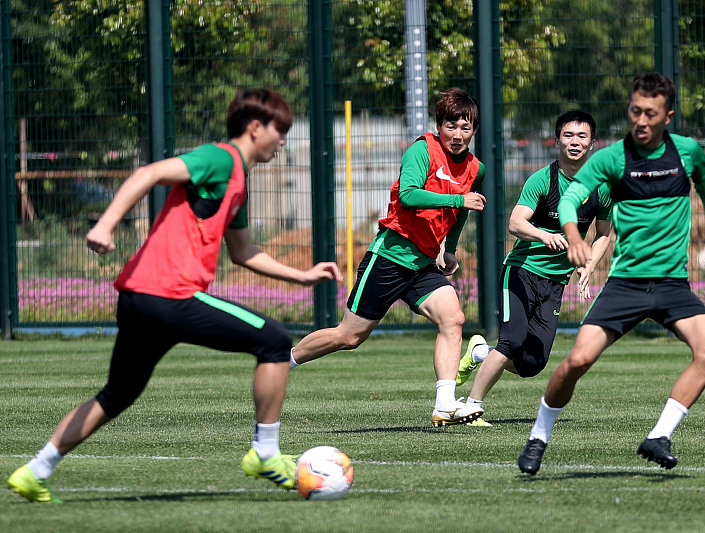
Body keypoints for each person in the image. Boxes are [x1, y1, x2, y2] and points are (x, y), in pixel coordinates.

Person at [7, 88, 342, 503]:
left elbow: (242, 252)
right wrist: (105, 225)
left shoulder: (238, 181)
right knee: (273, 341)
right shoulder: (221, 159)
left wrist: (302, 276)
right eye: (281, 130)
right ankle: (266, 454)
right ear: (256, 128)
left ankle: (34, 471)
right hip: (169, 295)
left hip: (140, 297)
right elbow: (148, 174)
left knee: (118, 395)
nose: (283, 140)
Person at [517, 73, 705, 476]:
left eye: (651, 113)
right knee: (577, 360)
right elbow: (572, 200)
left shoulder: (688, 153)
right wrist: (573, 235)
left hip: (671, 286)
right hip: (626, 284)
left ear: (668, 115)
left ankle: (659, 435)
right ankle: (538, 437)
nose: (641, 120)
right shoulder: (611, 158)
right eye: (635, 111)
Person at [290, 88, 487, 426]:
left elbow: (461, 215)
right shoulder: (422, 150)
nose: (457, 134)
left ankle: (444, 404)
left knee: (453, 319)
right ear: (439, 125)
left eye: (466, 128)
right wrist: (459, 201)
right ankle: (283, 360)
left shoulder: (475, 168)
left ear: (474, 130)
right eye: (451, 125)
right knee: (349, 337)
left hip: (423, 263)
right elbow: (409, 196)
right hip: (390, 256)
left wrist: (449, 248)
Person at [455, 110, 613, 427]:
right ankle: (471, 406)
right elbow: (516, 222)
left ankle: (479, 353)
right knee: (512, 342)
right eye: (568, 135)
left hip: (555, 283)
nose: (575, 142)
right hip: (521, 272)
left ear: (592, 144)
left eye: (582, 136)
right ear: (557, 141)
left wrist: (590, 265)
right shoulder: (543, 180)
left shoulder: (601, 188)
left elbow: (605, 234)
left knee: (531, 364)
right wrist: (545, 235)